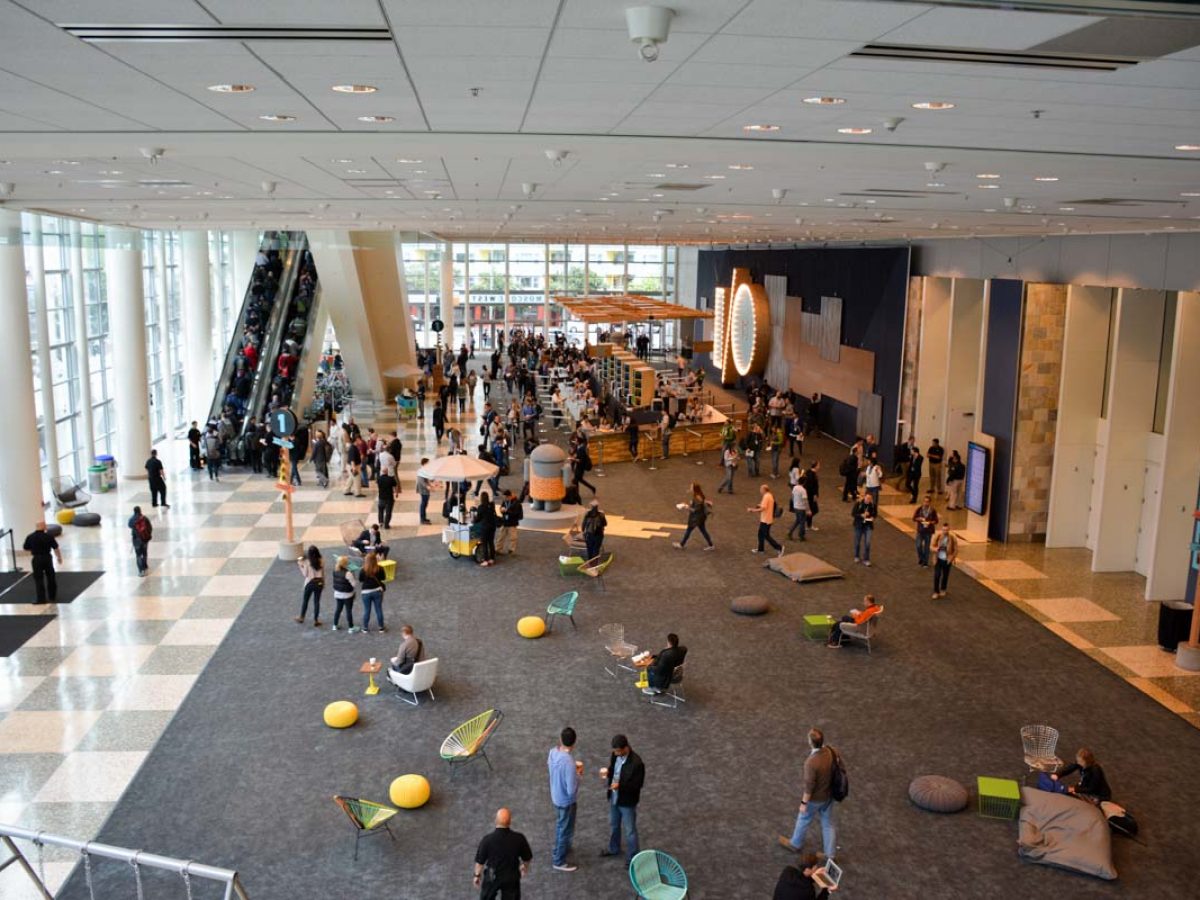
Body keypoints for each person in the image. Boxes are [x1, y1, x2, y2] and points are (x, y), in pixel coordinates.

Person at [778, 727, 838, 860]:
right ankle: (830, 855)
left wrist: (803, 803)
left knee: (803, 818)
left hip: (816, 799)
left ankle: (795, 843)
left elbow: (809, 786)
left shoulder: (811, 763)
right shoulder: (831, 751)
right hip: (829, 796)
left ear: (810, 742)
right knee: (828, 824)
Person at [600, 734, 644, 864]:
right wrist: (608, 773)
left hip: (627, 802)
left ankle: (633, 857)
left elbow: (637, 786)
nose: (616, 753)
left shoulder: (637, 764)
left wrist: (620, 786)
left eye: (618, 751)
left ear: (626, 748)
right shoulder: (615, 755)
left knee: (630, 830)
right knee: (614, 824)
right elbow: (613, 769)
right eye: (614, 751)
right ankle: (614, 848)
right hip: (615, 796)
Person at [473, 808, 533, 900]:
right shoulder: (519, 838)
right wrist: (524, 867)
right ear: (510, 822)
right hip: (511, 875)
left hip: (492, 874)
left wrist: (477, 876)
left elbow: (479, 862)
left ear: (496, 820)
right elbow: (527, 858)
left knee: (487, 897)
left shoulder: (487, 840)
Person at [548, 726, 581, 873]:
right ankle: (559, 861)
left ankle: (559, 850)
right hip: (566, 801)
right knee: (565, 829)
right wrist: (578, 775)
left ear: (560, 739)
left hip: (555, 795)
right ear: (574, 743)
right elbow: (571, 790)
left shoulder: (552, 752)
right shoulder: (569, 762)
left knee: (560, 825)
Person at [22, 521, 62, 604]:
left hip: (36, 559)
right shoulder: (49, 536)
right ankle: (52, 596)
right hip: (47, 558)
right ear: (44, 527)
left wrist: (34, 549)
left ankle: (41, 599)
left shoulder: (30, 537)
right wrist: (59, 557)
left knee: (38, 579)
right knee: (51, 577)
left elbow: (25, 548)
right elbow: (56, 548)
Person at [773, 856, 839, 900]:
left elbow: (802, 879)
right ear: (807, 870)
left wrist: (815, 876)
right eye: (815, 866)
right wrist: (827, 891)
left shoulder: (787, 871)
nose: (816, 867)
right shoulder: (808, 890)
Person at [673, 482, 714, 550]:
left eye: (691, 487)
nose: (690, 488)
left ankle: (681, 544)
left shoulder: (697, 497)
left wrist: (685, 506)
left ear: (695, 489)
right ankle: (711, 545)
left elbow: (694, 510)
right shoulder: (699, 495)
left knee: (689, 530)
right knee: (703, 531)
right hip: (701, 517)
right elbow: (700, 503)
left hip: (696, 518)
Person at [749, 484, 784, 556]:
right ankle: (760, 549)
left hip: (766, 519)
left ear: (764, 490)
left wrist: (752, 510)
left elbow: (763, 508)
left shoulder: (766, 497)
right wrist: (760, 505)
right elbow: (767, 506)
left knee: (766, 535)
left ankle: (779, 547)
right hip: (767, 519)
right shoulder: (770, 495)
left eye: (761, 489)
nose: (760, 491)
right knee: (760, 534)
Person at [294, 545, 324, 627]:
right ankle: (316, 620)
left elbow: (305, 574)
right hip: (319, 582)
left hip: (310, 583)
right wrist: (323, 582)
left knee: (305, 600)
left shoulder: (307, 562)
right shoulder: (321, 560)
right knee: (317, 602)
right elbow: (322, 572)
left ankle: (302, 617)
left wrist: (300, 565)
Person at [359, 552, 387, 634]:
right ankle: (381, 628)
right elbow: (384, 578)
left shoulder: (363, 570)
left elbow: (360, 580)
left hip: (366, 592)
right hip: (377, 591)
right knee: (378, 609)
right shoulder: (380, 568)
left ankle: (365, 628)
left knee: (367, 610)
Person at [330, 556, 358, 632]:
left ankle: (335, 625)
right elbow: (354, 584)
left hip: (337, 593)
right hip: (347, 595)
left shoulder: (335, 571)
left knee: (338, 609)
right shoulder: (348, 573)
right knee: (348, 610)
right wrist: (353, 575)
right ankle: (351, 627)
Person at [931, 523, 958, 599]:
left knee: (945, 575)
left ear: (949, 530)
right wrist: (936, 549)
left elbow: (956, 549)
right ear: (941, 529)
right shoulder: (938, 536)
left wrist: (952, 558)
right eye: (943, 530)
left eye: (946, 530)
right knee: (937, 575)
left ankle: (943, 589)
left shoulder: (952, 537)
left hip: (947, 560)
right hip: (938, 559)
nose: (945, 531)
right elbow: (931, 546)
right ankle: (936, 592)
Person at [913, 495, 939, 567]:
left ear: (930, 502)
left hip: (928, 531)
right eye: (924, 501)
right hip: (920, 530)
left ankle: (925, 562)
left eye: (927, 502)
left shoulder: (932, 510)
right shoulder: (919, 509)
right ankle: (921, 558)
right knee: (918, 545)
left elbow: (936, 521)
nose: (925, 503)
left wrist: (930, 523)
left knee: (926, 547)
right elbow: (914, 518)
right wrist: (919, 519)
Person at [851, 491, 876, 566]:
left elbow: (875, 514)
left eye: (870, 499)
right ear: (864, 497)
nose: (868, 500)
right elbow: (853, 514)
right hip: (859, 525)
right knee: (857, 542)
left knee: (867, 542)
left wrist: (872, 516)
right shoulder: (858, 504)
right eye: (867, 498)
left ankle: (866, 559)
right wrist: (861, 515)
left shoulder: (872, 505)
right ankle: (856, 556)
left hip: (868, 525)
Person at [128, 505, 152, 576]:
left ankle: (141, 570)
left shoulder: (131, 519)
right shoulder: (144, 518)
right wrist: (148, 535)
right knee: (144, 553)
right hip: (144, 539)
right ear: (140, 510)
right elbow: (150, 527)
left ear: (134, 511)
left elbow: (129, 525)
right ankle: (145, 566)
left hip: (136, 539)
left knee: (138, 555)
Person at [497, 489, 523, 555]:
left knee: (513, 538)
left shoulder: (516, 503)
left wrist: (506, 511)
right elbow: (502, 507)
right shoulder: (505, 501)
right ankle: (498, 549)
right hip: (505, 522)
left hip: (512, 523)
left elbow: (515, 513)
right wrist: (501, 510)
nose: (504, 499)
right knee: (501, 537)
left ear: (509, 496)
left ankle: (511, 550)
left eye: (505, 497)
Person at [477, 491, 498, 567]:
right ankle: (492, 559)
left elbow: (478, 518)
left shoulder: (481, 507)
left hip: (485, 527)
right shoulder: (491, 505)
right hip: (492, 527)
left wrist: (474, 520)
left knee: (484, 544)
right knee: (491, 542)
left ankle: (485, 560)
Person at [788, 476, 809, 541]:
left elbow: (792, 496)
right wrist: (808, 510)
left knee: (797, 521)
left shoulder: (795, 487)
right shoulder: (803, 490)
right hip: (801, 508)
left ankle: (790, 532)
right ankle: (801, 536)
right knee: (802, 522)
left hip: (796, 507)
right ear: (804, 482)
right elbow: (805, 501)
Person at [804, 460, 821, 532]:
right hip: (810, 495)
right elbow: (812, 486)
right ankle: (808, 524)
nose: (819, 466)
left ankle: (807, 522)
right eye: (818, 465)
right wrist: (814, 494)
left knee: (812, 509)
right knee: (812, 509)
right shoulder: (812, 475)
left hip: (809, 494)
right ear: (816, 466)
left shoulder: (809, 472)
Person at [417, 459, 433, 525]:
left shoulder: (425, 470)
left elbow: (427, 479)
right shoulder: (421, 471)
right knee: (423, 504)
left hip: (425, 489)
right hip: (423, 490)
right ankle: (422, 519)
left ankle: (424, 518)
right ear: (424, 463)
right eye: (428, 463)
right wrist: (427, 486)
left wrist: (430, 484)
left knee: (425, 504)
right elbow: (421, 481)